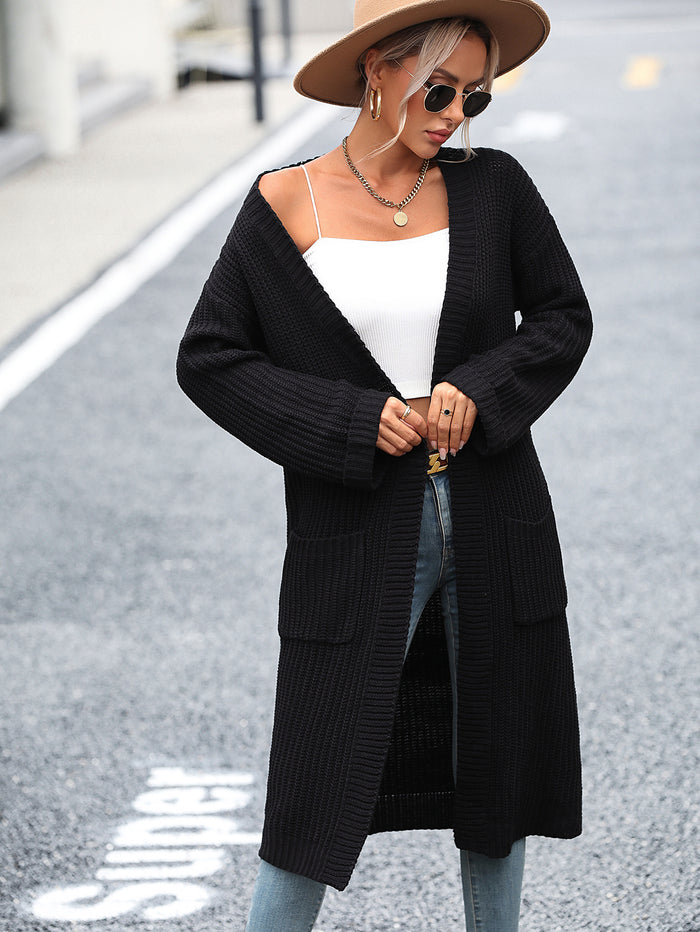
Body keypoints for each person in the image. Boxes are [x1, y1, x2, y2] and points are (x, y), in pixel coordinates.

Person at [176, 0, 592, 928]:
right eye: (439, 90)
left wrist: (480, 386)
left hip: (495, 520)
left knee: (496, 779)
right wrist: (352, 420)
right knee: (314, 788)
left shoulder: (495, 187)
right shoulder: (286, 204)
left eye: (475, 97)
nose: (455, 115)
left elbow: (563, 317)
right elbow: (210, 358)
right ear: (377, 70)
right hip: (355, 535)